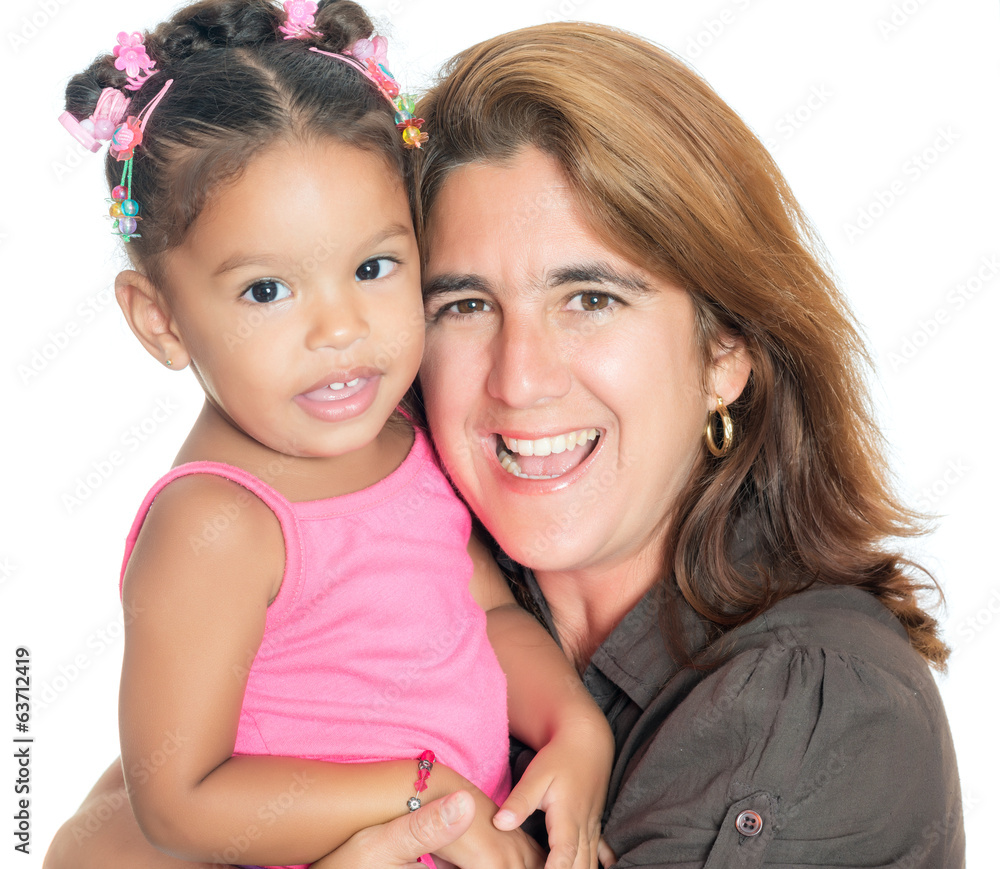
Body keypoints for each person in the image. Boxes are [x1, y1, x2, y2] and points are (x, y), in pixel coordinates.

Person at [46, 17, 965, 869]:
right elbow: (119, 828)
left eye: (590, 298)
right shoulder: (339, 533)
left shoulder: (804, 713)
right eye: (465, 304)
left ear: (725, 350)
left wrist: (557, 738)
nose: (520, 379)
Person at [48, 3, 613, 869]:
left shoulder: (402, 433)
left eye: (373, 267)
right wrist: (423, 794)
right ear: (161, 319)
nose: (341, 329)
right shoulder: (219, 525)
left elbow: (488, 615)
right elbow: (176, 800)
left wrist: (573, 727)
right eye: (267, 291)